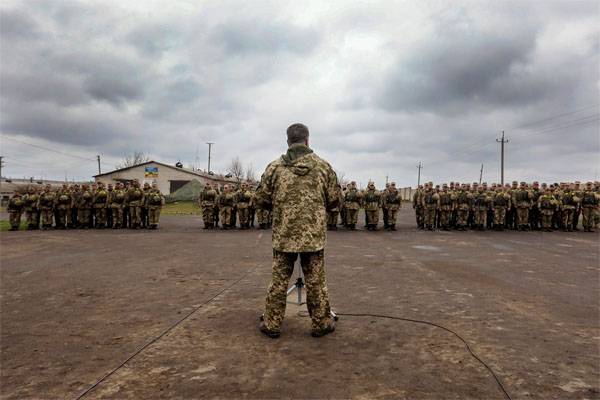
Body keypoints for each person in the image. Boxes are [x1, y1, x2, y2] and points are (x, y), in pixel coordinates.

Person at [255, 123, 338, 338]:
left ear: (288, 142)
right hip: (313, 238)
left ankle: (272, 324)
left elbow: (260, 199)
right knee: (316, 281)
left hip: (284, 236)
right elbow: (336, 200)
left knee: (279, 281)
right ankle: (321, 323)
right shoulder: (323, 167)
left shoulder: (274, 167)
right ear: (308, 140)